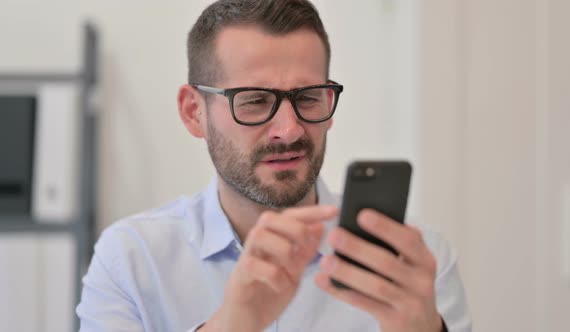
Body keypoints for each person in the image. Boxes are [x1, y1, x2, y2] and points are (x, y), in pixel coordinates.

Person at [76, 0, 472, 331]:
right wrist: (234, 323)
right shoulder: (131, 260)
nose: (289, 129)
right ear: (194, 112)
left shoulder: (414, 266)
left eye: (310, 97)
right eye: (254, 101)